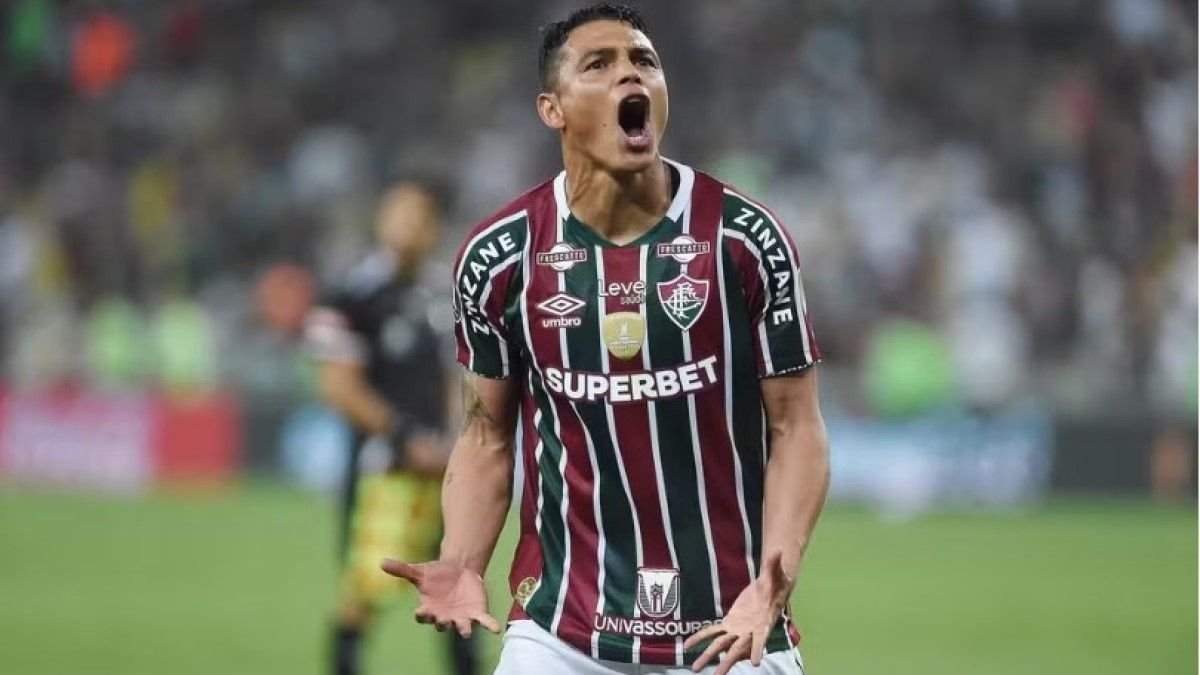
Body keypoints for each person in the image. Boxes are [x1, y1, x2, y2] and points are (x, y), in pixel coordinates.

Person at [382, 5, 829, 674]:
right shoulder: (500, 257)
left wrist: (771, 586)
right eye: (599, 64)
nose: (631, 75)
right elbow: (486, 437)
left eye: (644, 61)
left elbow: (797, 429)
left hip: (731, 628)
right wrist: (462, 560)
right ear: (553, 109)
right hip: (562, 630)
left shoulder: (744, 239)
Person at [306, 182, 478, 675]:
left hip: (442, 471)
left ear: (435, 228)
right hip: (383, 471)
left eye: (420, 217)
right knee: (365, 591)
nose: (409, 226)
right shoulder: (351, 295)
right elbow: (338, 386)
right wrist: (404, 437)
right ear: (380, 220)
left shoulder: (446, 293)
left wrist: (459, 443)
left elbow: (458, 376)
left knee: (459, 588)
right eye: (400, 214)